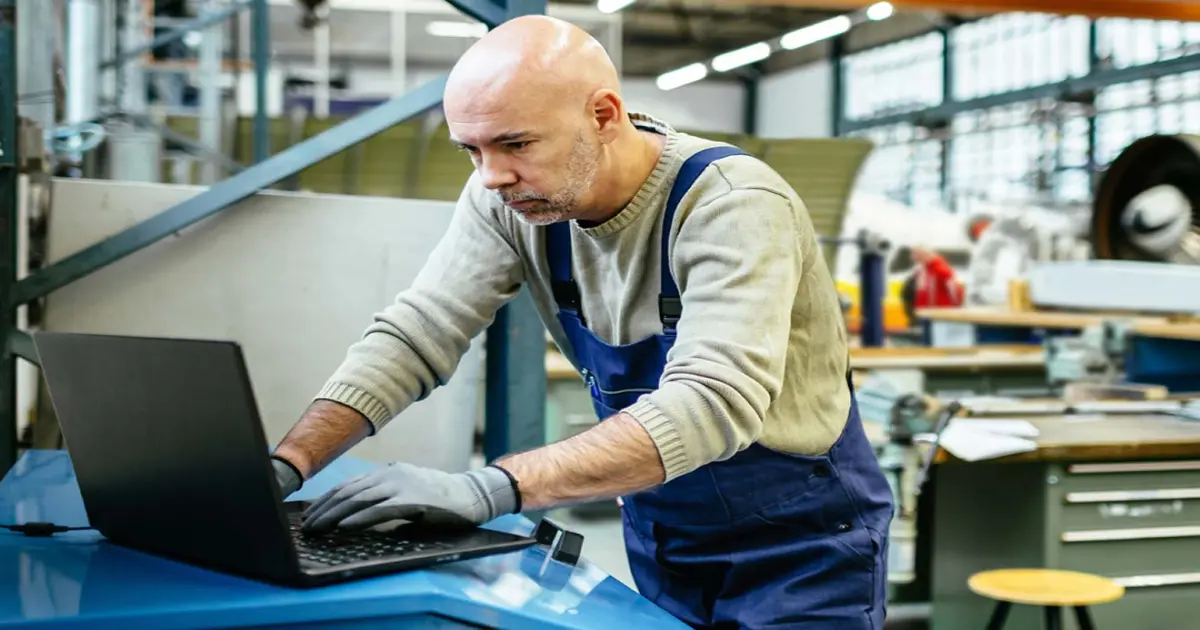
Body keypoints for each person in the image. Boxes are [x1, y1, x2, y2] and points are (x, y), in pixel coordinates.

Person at [268, 15, 894, 629]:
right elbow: (420, 330)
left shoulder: (731, 204)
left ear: (603, 115)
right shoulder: (511, 200)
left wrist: (490, 488)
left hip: (800, 546)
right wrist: (287, 465)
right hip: (665, 531)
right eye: (472, 150)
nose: (492, 176)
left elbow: (711, 402)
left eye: (515, 144)